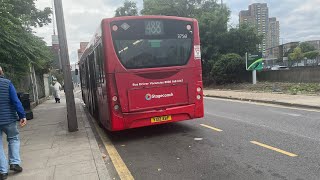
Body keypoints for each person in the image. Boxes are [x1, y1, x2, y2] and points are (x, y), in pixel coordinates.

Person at [0, 66, 27, 180]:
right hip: (9, 119)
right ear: (1, 72)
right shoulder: (7, 83)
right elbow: (15, 100)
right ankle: (14, 163)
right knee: (13, 139)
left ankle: (3, 172)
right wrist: (22, 115)